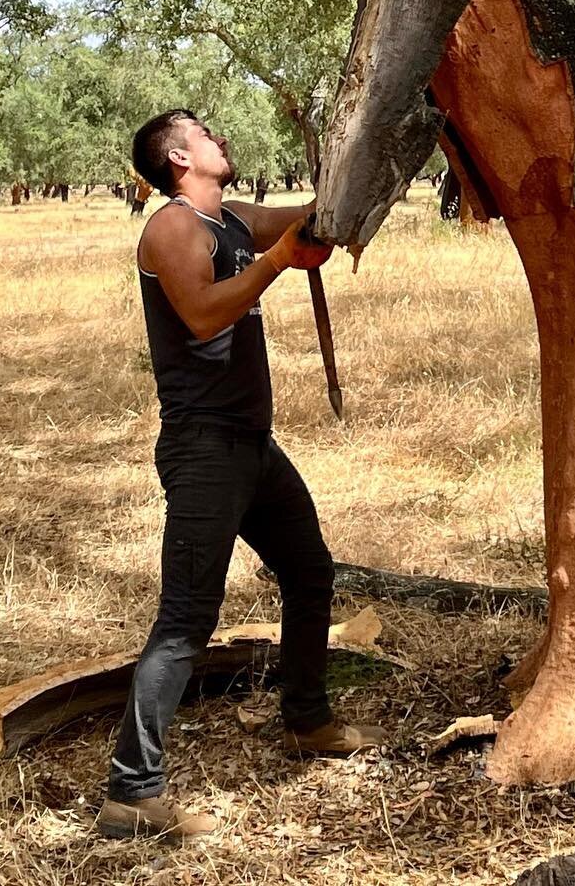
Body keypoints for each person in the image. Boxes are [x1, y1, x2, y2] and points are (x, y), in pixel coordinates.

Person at [97, 109, 384, 846]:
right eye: (204, 132)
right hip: (203, 450)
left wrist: (337, 196)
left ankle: (306, 720)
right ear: (178, 156)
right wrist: (281, 260)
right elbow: (203, 317)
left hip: (250, 446)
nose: (218, 137)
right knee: (187, 619)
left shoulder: (228, 220)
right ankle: (131, 796)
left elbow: (301, 221)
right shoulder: (172, 228)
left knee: (311, 572)